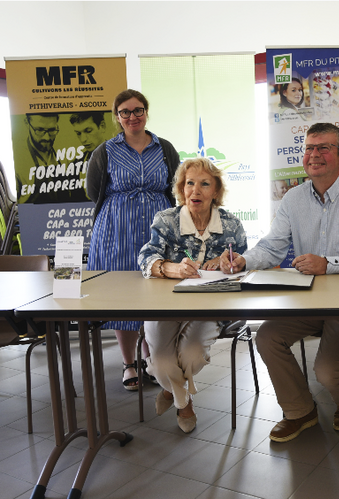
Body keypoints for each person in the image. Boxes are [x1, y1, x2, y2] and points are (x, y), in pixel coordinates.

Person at [220, 122, 339, 442]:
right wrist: (243, 260)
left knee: (327, 371)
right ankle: (299, 411)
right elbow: (272, 246)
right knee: (267, 338)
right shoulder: (293, 199)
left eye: (324, 148)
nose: (313, 155)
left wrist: (329, 264)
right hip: (307, 300)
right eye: (308, 148)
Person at [137, 157, 248, 433]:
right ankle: (183, 402)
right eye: (189, 184)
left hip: (209, 309)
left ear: (216, 192)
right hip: (165, 306)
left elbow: (245, 261)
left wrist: (231, 263)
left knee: (192, 355)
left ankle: (168, 390)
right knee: (162, 361)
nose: (195, 191)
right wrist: (170, 268)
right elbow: (146, 256)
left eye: (204, 184)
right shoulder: (167, 220)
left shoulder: (231, 226)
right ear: (181, 188)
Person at [86, 89, 180, 391]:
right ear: (117, 117)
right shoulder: (105, 151)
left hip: (157, 228)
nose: (132, 117)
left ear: (146, 112)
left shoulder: (164, 148)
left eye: (138, 110)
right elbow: (93, 190)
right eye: (125, 112)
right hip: (116, 229)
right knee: (121, 295)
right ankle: (129, 363)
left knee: (153, 293)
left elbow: (176, 185)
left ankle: (151, 358)